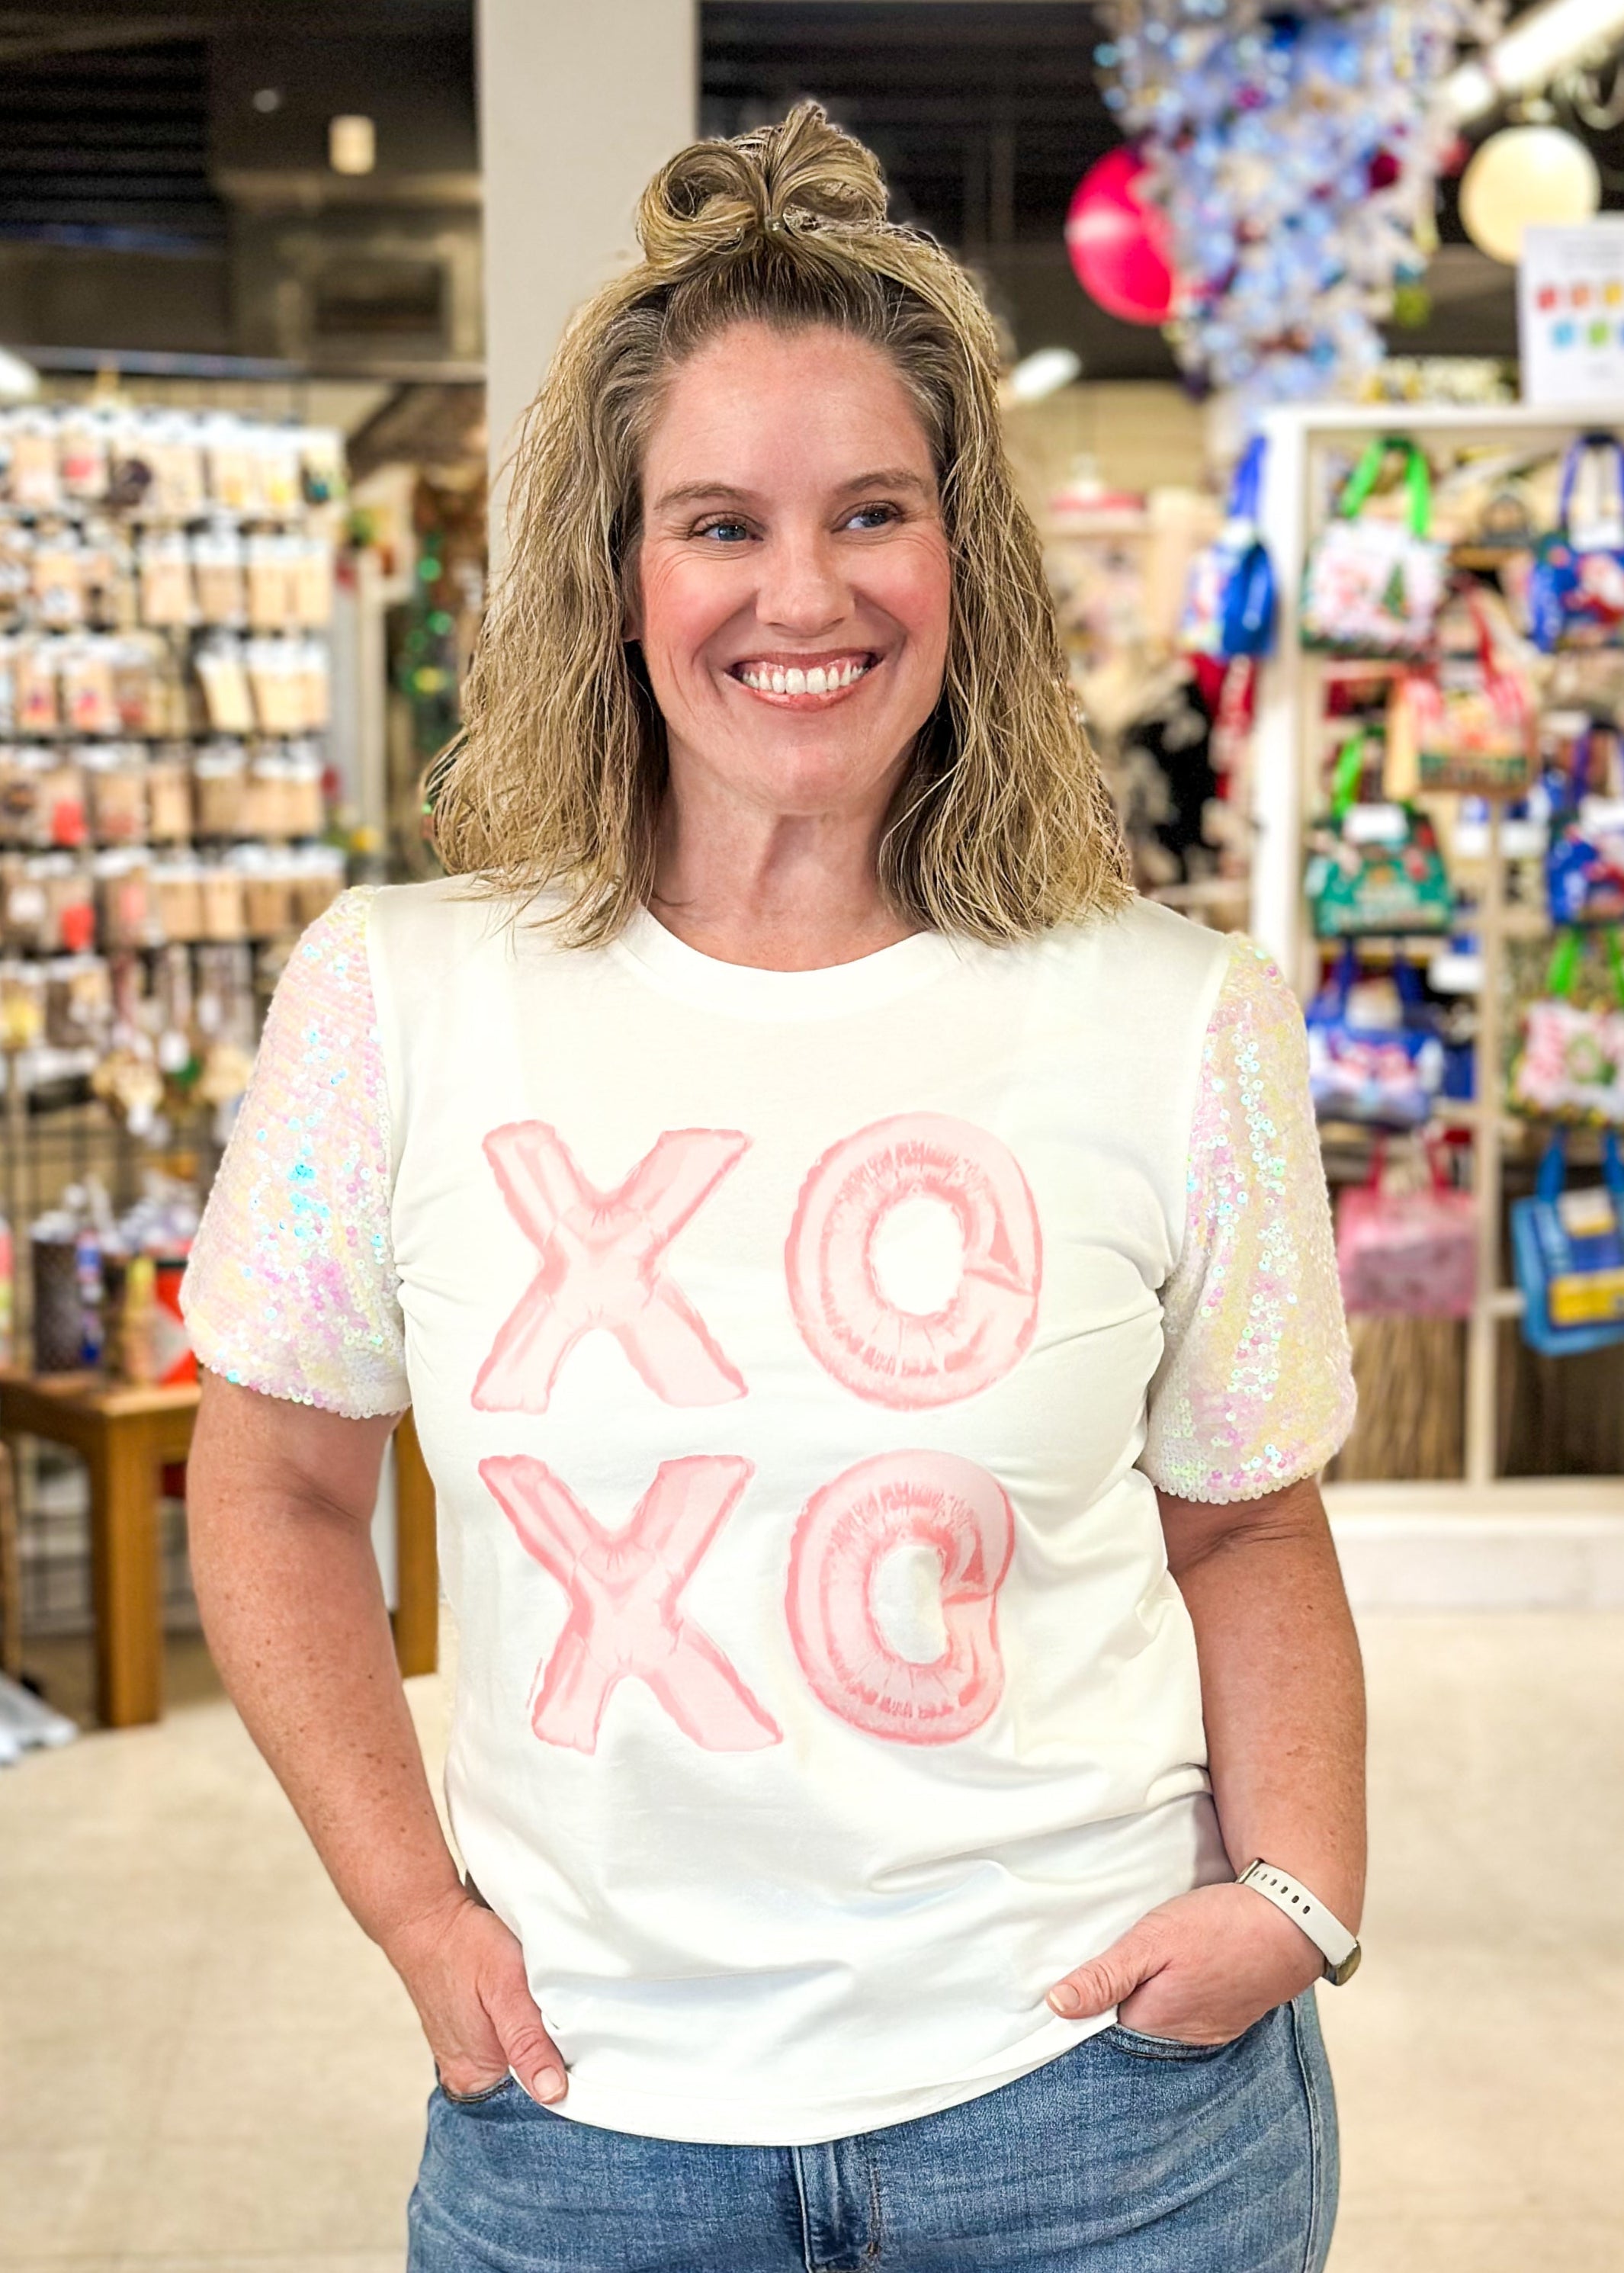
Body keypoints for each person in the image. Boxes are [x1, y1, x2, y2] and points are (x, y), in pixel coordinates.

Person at [183, 103, 1363, 2273]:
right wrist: (412, 1919)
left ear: (961, 563)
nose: (800, 595)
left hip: (1100, 2124)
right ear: (616, 578)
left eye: (872, 514)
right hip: (584, 2127)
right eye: (718, 522)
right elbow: (263, 1484)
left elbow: (1247, 1513)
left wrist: (1293, 1899)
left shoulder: (1170, 1014)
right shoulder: (400, 997)